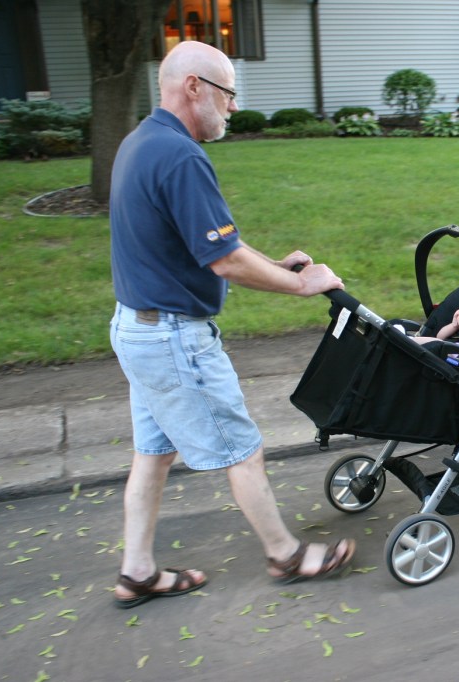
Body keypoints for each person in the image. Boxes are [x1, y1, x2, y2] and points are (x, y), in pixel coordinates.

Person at [108, 41, 355, 608]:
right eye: (227, 94)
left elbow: (212, 245)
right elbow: (222, 261)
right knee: (241, 450)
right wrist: (300, 283)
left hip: (136, 330)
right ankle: (286, 555)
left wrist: (274, 264)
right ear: (193, 87)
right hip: (172, 338)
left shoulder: (141, 142)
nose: (233, 108)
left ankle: (137, 572)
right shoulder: (182, 157)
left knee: (154, 453)